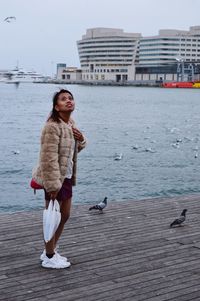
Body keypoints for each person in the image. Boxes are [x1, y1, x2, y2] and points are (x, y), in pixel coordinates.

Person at [32, 89, 86, 269]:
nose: (69, 101)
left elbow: (71, 151)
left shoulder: (70, 123)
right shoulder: (52, 126)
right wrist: (53, 185)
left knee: (64, 215)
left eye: (70, 98)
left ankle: (51, 249)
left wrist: (81, 139)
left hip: (67, 176)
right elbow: (48, 158)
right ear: (56, 107)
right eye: (63, 99)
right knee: (52, 217)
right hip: (55, 178)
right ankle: (48, 255)